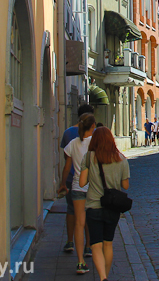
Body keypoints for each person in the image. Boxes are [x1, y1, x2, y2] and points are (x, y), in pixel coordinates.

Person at [80, 127, 130, 281]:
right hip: (112, 208)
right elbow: (125, 185)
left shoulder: (89, 157)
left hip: (93, 207)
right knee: (108, 244)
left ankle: (102, 277)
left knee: (96, 245)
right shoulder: (121, 158)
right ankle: (105, 276)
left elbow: (82, 183)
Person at [60, 113, 96, 274]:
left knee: (79, 223)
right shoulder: (95, 143)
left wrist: (62, 184)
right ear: (93, 127)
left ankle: (80, 262)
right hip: (93, 188)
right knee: (92, 221)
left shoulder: (73, 143)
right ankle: (91, 248)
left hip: (77, 187)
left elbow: (67, 167)